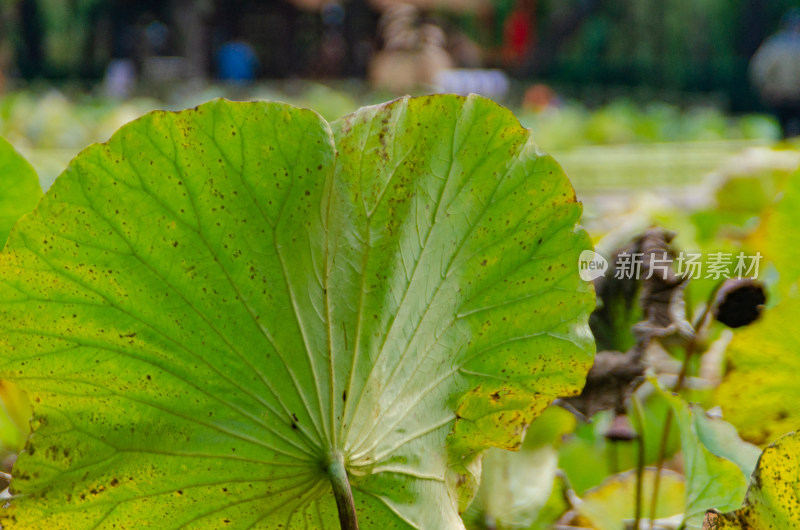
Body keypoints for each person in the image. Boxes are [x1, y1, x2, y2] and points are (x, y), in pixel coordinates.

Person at [751, 9, 800, 138]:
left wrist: (764, 86)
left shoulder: (773, 45)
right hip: (796, 93)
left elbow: (760, 68)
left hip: (779, 94)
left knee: (784, 127)